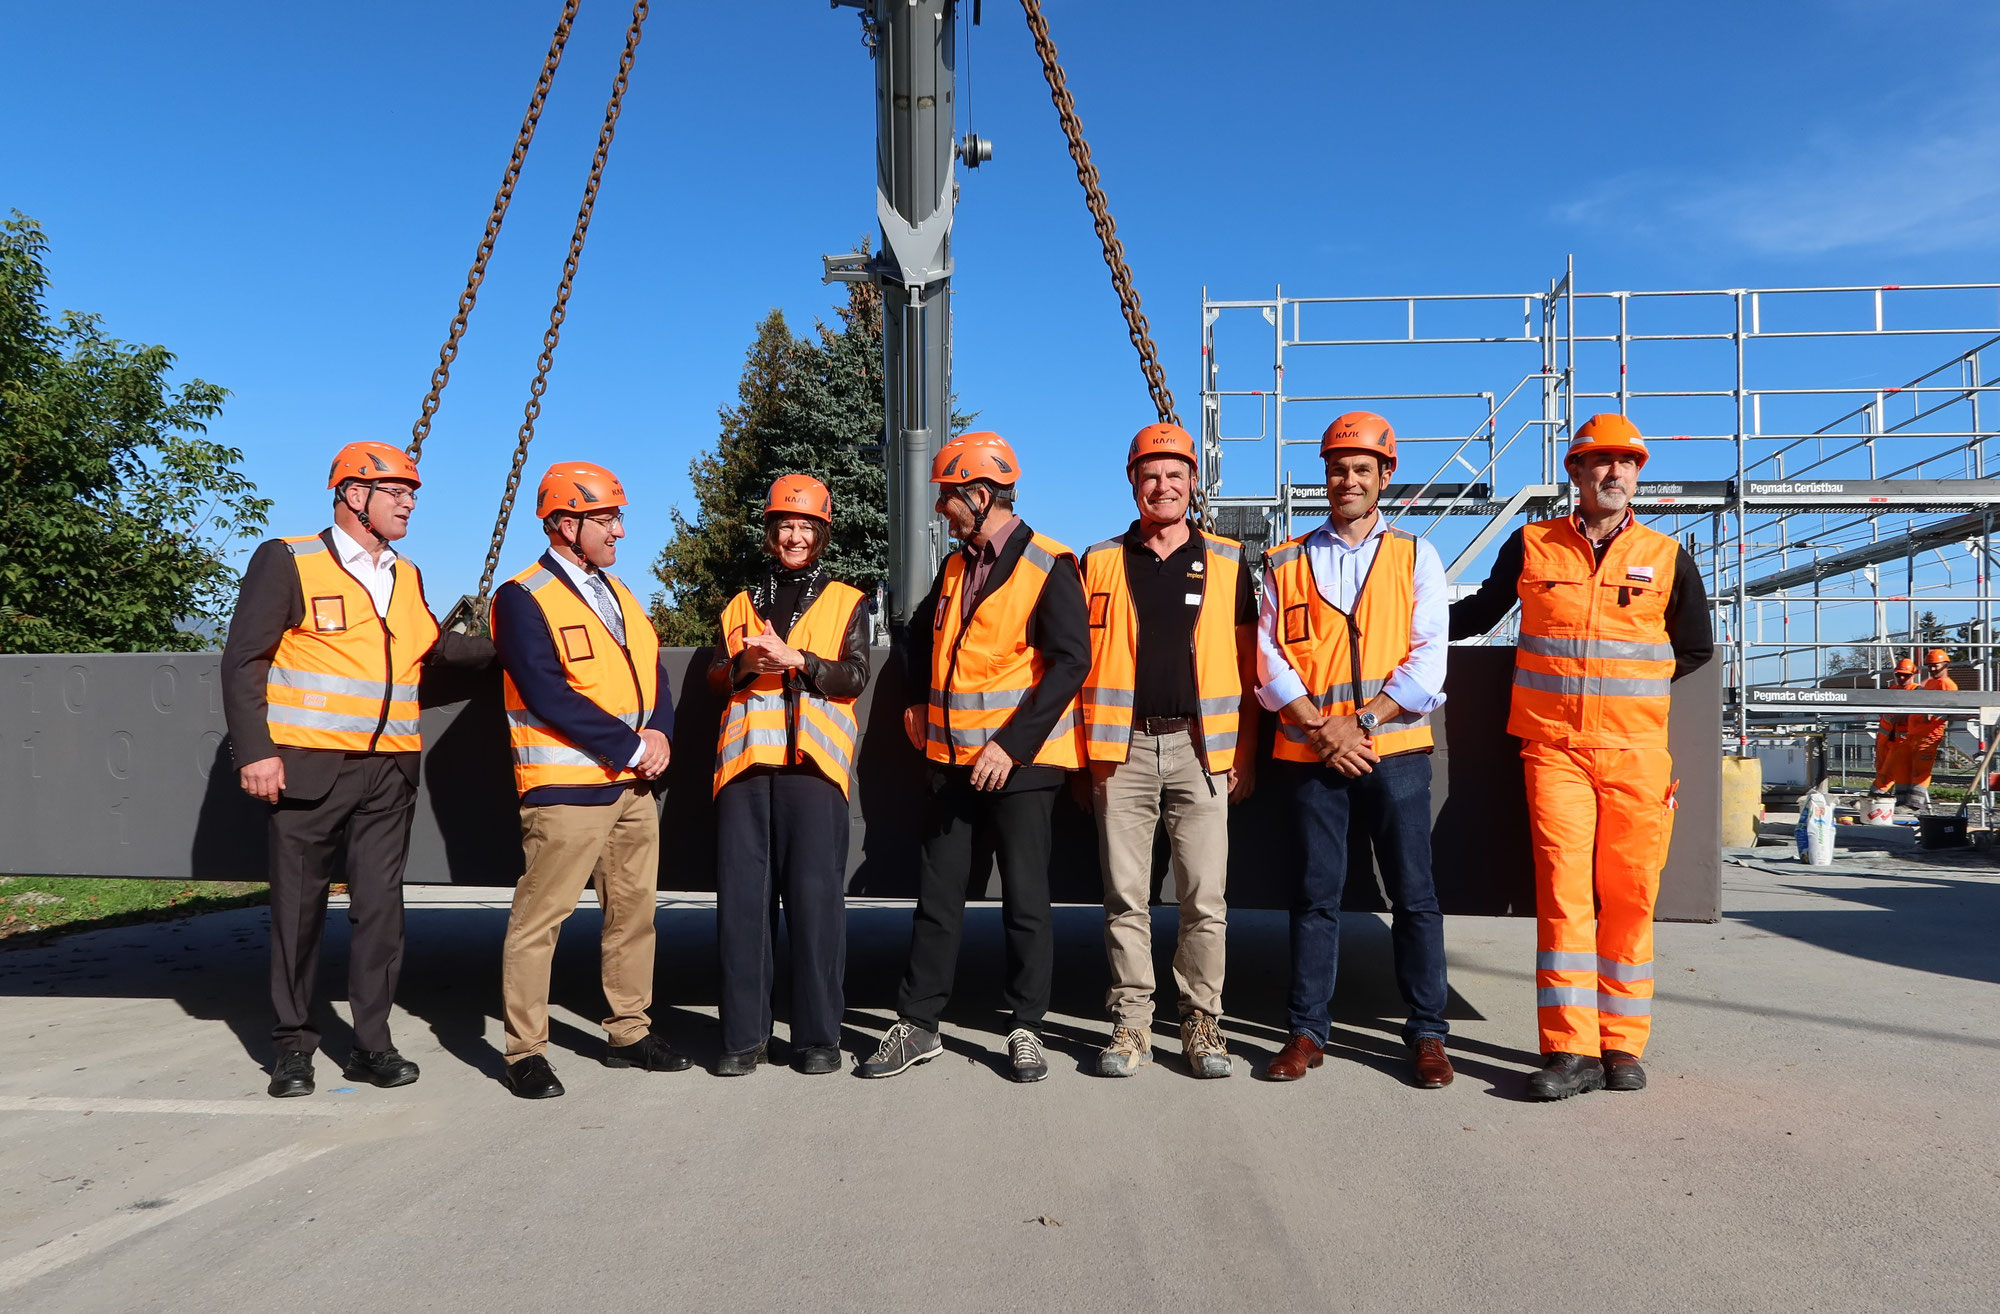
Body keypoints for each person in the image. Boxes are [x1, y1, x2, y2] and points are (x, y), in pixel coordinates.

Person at [221, 441, 495, 1099]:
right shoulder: (287, 559)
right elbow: (243, 661)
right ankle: (292, 1047)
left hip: (390, 773)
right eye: (396, 490)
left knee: (381, 913)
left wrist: (510, 638)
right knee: (297, 911)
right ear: (352, 494)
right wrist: (256, 750)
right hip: (306, 767)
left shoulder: (407, 575)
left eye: (412, 492)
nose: (409, 501)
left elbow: (436, 651)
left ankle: (372, 1045)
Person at [1451, 413, 1713, 1100]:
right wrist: (1396, 626)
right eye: (1601, 461)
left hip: (1635, 755)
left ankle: (1621, 1046)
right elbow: (1477, 615)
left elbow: (1694, 647)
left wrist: (1625, 699)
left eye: (1628, 462)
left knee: (1630, 898)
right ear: (1575, 471)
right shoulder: (1532, 545)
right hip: (1555, 752)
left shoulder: (1667, 556)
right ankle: (1569, 1050)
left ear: (1638, 473)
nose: (1616, 473)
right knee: (1564, 900)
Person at [858, 432, 1090, 1083]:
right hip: (950, 762)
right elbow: (916, 634)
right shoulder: (958, 567)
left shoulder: (1049, 563)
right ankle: (919, 1024)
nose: (941, 510)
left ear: (981, 495)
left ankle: (1025, 1026)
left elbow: (1071, 664)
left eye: (948, 498)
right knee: (938, 897)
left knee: (1025, 900)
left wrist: (1009, 747)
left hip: (1020, 768)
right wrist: (909, 699)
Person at [1255, 412, 1455, 1090]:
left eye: (1362, 469)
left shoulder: (1416, 556)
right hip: (1313, 757)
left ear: (1385, 477)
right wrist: (1321, 729)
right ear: (1326, 475)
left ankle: (1428, 1034)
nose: (1348, 479)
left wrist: (1359, 724)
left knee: (1415, 896)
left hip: (1394, 753)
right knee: (1314, 896)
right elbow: (1269, 660)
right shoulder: (1285, 560)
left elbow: (1429, 662)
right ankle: (1306, 1031)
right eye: (1338, 468)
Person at [490, 462, 686, 1099]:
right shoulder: (520, 598)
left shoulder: (621, 592)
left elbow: (651, 672)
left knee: (633, 913)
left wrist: (658, 734)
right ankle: (525, 1052)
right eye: (606, 519)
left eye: (616, 518)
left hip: (632, 785)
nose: (619, 532)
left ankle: (629, 1031)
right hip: (566, 789)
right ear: (565, 523)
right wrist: (631, 744)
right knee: (540, 919)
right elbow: (547, 692)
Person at [1077, 423, 1259, 1079]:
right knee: (1126, 899)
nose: (1163, 485)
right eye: (1151, 475)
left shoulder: (1231, 561)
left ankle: (1201, 1024)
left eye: (1175, 474)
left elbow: (1248, 663)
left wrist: (1248, 753)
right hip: (1119, 753)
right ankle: (1131, 1027)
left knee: (1204, 900)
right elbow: (1075, 666)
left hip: (1201, 751)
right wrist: (1083, 759)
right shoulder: (1096, 561)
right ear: (1133, 483)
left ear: (1192, 484)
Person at [707, 475, 868, 1076]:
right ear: (771, 533)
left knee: (816, 905)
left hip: (814, 773)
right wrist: (745, 664)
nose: (794, 536)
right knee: (743, 908)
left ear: (820, 534)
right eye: (785, 526)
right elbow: (714, 680)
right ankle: (743, 1038)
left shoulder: (847, 600)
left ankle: (817, 1037)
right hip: (747, 770)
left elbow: (854, 677)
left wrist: (800, 661)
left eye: (806, 527)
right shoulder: (738, 604)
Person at [1902, 648, 1959, 809]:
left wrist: (1931, 715)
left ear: (1946, 664)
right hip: (1916, 733)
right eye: (1930, 665)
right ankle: (1904, 801)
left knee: (1921, 770)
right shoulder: (1930, 682)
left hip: (1929, 735)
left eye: (1936, 665)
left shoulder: (1947, 685)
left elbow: (1948, 710)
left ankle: (1914, 804)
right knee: (1910, 768)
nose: (1932, 668)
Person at [1869, 658, 1917, 799]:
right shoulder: (1892, 690)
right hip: (1885, 739)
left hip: (1902, 741)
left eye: (1905, 675)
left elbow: (1922, 715)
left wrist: (1906, 717)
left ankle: (1874, 797)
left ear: (1913, 675)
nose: (1901, 678)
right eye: (1898, 675)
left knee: (1889, 771)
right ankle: (1882, 800)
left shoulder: (1917, 691)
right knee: (1882, 769)